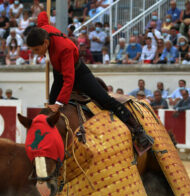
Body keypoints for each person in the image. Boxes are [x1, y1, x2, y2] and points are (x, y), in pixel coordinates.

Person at [26, 11, 154, 153]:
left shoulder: (64, 48)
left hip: (78, 73)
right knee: (49, 111)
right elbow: (43, 18)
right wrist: (42, 12)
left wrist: (59, 103)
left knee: (105, 99)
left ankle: (138, 130)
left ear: (45, 42)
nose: (36, 53)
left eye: (37, 49)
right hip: (58, 74)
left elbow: (69, 79)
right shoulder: (42, 31)